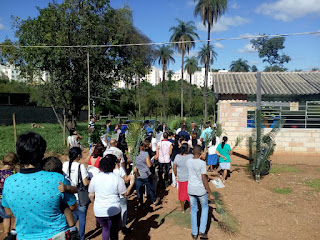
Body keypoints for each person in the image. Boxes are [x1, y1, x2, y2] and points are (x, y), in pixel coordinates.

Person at [2, 132, 77, 240]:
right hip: (56, 235)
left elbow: (9, 212)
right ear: (42, 154)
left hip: (24, 236)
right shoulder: (57, 179)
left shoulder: (9, 182)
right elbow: (73, 206)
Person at [89, 155, 126, 240]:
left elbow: (91, 195)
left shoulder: (95, 178)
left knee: (105, 229)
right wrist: (132, 183)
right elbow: (124, 194)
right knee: (113, 230)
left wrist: (95, 203)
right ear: (113, 166)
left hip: (99, 211)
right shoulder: (117, 179)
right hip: (114, 211)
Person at [42, 156, 80, 240]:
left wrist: (66, 188)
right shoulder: (59, 179)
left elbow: (75, 189)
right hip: (62, 209)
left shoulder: (62, 180)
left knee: (65, 208)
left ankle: (73, 229)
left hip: (66, 204)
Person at [187, 145, 215, 239]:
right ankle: (202, 231)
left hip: (191, 189)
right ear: (200, 153)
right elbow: (203, 179)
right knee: (205, 207)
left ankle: (194, 233)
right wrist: (210, 193)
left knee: (194, 210)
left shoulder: (188, 161)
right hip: (200, 190)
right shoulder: (202, 163)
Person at [63, 147, 90, 240]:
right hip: (79, 195)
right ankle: (81, 237)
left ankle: (70, 235)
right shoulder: (80, 166)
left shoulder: (65, 164)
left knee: (70, 217)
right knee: (82, 217)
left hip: (67, 195)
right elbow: (85, 182)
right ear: (78, 155)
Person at [135, 141, 160, 208]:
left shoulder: (134, 154)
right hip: (145, 174)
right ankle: (154, 200)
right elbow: (149, 165)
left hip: (137, 175)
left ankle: (141, 203)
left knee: (139, 190)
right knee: (150, 188)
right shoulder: (145, 154)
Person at [0, 152, 18, 240]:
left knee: (5, 217)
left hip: (0, 199)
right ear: (13, 164)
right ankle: (14, 232)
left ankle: (6, 234)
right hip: (11, 198)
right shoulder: (13, 174)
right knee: (14, 215)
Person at [173, 143, 193, 213]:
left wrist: (176, 175)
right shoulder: (191, 156)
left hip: (181, 178)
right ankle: (191, 210)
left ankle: (182, 209)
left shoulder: (177, 157)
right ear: (187, 149)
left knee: (181, 194)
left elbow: (174, 167)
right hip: (189, 178)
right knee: (190, 194)